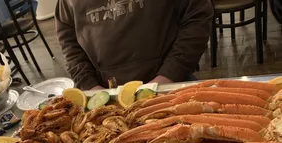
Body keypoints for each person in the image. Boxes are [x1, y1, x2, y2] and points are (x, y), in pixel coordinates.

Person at [55, 0, 213, 90]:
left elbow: (197, 18)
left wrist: (168, 75)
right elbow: (69, 42)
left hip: (171, 82)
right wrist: (90, 86)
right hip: (105, 92)